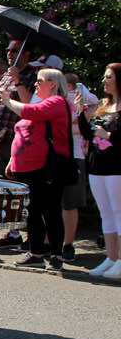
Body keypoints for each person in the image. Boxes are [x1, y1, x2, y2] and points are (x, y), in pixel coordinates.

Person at [0, 68, 72, 269]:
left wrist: (8, 101)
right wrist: (12, 161)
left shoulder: (57, 102)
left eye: (40, 81)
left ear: (53, 84)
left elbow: (31, 112)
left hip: (46, 167)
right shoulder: (41, 102)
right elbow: (22, 132)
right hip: (27, 167)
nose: (36, 84)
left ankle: (56, 254)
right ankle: (36, 252)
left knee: (50, 210)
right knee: (32, 211)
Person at [0, 36, 39, 248]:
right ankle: (13, 232)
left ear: (26, 54)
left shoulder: (31, 75)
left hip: (20, 141)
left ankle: (31, 235)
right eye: (9, 50)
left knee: (22, 187)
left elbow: (29, 105)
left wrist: (18, 80)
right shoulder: (5, 77)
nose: (10, 54)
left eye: (15, 50)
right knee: (5, 186)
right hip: (1, 139)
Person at [78, 63, 121, 279]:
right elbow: (89, 135)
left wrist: (109, 137)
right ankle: (111, 257)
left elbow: (107, 135)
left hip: (116, 168)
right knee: (106, 214)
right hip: (97, 166)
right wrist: (79, 114)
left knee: (119, 213)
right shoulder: (103, 105)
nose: (104, 80)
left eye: (109, 77)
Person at [62, 73, 97, 259]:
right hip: (53, 155)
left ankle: (68, 245)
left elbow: (94, 104)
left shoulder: (82, 96)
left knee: (70, 203)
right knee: (50, 204)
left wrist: (81, 92)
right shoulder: (56, 98)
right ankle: (48, 243)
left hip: (75, 155)